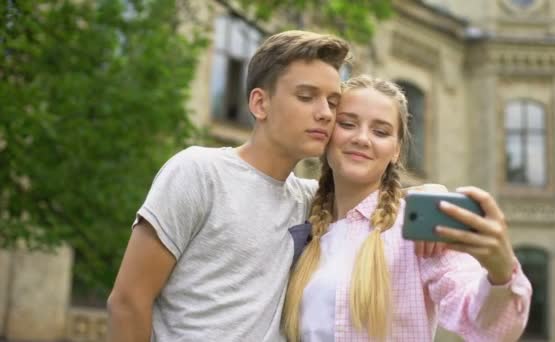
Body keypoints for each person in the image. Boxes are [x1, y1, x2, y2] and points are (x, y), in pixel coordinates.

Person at [106, 31, 441, 341]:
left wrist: (430, 195)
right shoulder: (199, 173)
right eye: (307, 97)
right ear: (259, 104)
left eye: (333, 102)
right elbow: (127, 302)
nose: (325, 113)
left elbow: (371, 198)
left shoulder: (310, 200)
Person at [282, 75, 532, 341]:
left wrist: (501, 274)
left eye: (380, 131)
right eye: (347, 124)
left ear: (396, 151)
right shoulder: (301, 216)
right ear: (328, 134)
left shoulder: (416, 231)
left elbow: (488, 326)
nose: (362, 138)